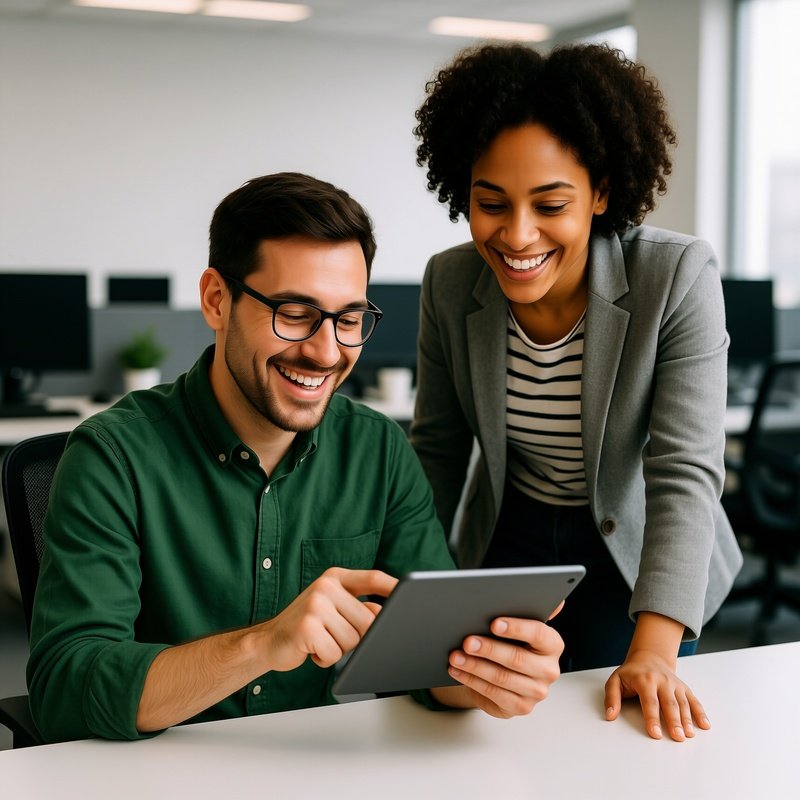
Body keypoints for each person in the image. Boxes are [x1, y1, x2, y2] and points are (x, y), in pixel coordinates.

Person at [26, 172, 564, 743]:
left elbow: (429, 661)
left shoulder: (378, 451)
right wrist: (264, 644)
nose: (326, 351)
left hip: (311, 768)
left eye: (349, 319)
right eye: (295, 312)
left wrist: (486, 676)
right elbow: (65, 689)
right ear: (216, 300)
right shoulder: (112, 456)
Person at [411, 43, 743, 743]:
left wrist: (653, 653)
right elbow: (436, 453)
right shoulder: (448, 282)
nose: (517, 234)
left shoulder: (675, 276)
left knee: (621, 733)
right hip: (513, 533)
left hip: (637, 544)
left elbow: (685, 474)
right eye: (490, 203)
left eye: (551, 203)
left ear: (600, 192)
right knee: (483, 733)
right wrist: (411, 598)